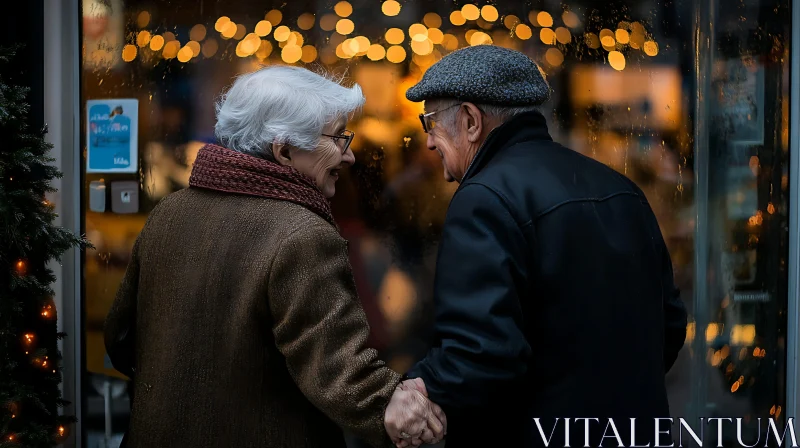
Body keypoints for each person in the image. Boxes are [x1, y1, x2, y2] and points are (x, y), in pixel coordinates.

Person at [104, 66, 446, 448]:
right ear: (283, 150)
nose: (349, 157)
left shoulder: (168, 213)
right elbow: (335, 367)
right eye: (338, 139)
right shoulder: (301, 233)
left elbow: (121, 339)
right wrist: (391, 403)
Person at [397, 45, 688, 447]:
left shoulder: (483, 197)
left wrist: (411, 389)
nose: (428, 142)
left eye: (430, 122)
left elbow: (480, 354)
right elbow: (669, 326)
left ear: (470, 121)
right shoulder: (622, 190)